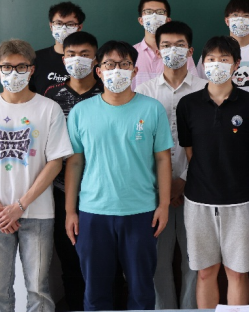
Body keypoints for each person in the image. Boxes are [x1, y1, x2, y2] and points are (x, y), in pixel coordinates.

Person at [0, 39, 73, 312]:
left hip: (38, 213)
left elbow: (55, 162)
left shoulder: (49, 109)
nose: (14, 73)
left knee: (39, 290)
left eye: (21, 67)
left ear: (31, 70)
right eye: (7, 67)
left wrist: (20, 206)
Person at [65, 41, 173, 311]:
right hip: (93, 212)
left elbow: (163, 159)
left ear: (135, 71)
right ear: (98, 71)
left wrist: (164, 204)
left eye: (124, 64)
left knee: (141, 291)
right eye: (109, 64)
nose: (117, 70)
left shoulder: (152, 109)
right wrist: (70, 211)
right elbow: (75, 163)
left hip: (141, 212)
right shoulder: (80, 112)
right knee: (96, 292)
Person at [176, 36, 249, 308]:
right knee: (205, 272)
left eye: (224, 59)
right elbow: (190, 151)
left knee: (237, 272)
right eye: (211, 59)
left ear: (237, 64)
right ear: (202, 64)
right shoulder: (188, 104)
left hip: (241, 201)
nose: (217, 64)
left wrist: (239, 180)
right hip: (198, 201)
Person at [135, 21, 206, 310]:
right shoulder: (143, 91)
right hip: (153, 192)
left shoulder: (206, 89)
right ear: (157, 51)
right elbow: (139, 144)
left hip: (197, 189)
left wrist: (184, 180)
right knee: (157, 261)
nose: (172, 50)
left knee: (194, 261)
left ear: (190, 51)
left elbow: (208, 143)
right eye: (165, 45)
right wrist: (163, 186)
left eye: (179, 45)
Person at [43, 31, 103, 312]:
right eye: (71, 54)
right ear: (63, 58)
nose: (77, 60)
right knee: (69, 260)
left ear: (96, 59)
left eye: (84, 54)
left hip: (101, 190)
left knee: (104, 261)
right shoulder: (51, 96)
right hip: (60, 190)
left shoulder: (108, 91)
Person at [133, 0, 198, 88]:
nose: (154, 16)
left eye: (160, 12)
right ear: (141, 20)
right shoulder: (131, 53)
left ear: (168, 20)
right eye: (148, 12)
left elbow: (194, 85)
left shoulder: (181, 51)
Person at [31, 1, 86, 95]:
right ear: (51, 26)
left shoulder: (88, 60)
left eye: (70, 24)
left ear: (79, 27)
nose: (64, 28)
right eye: (59, 23)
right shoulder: (35, 59)